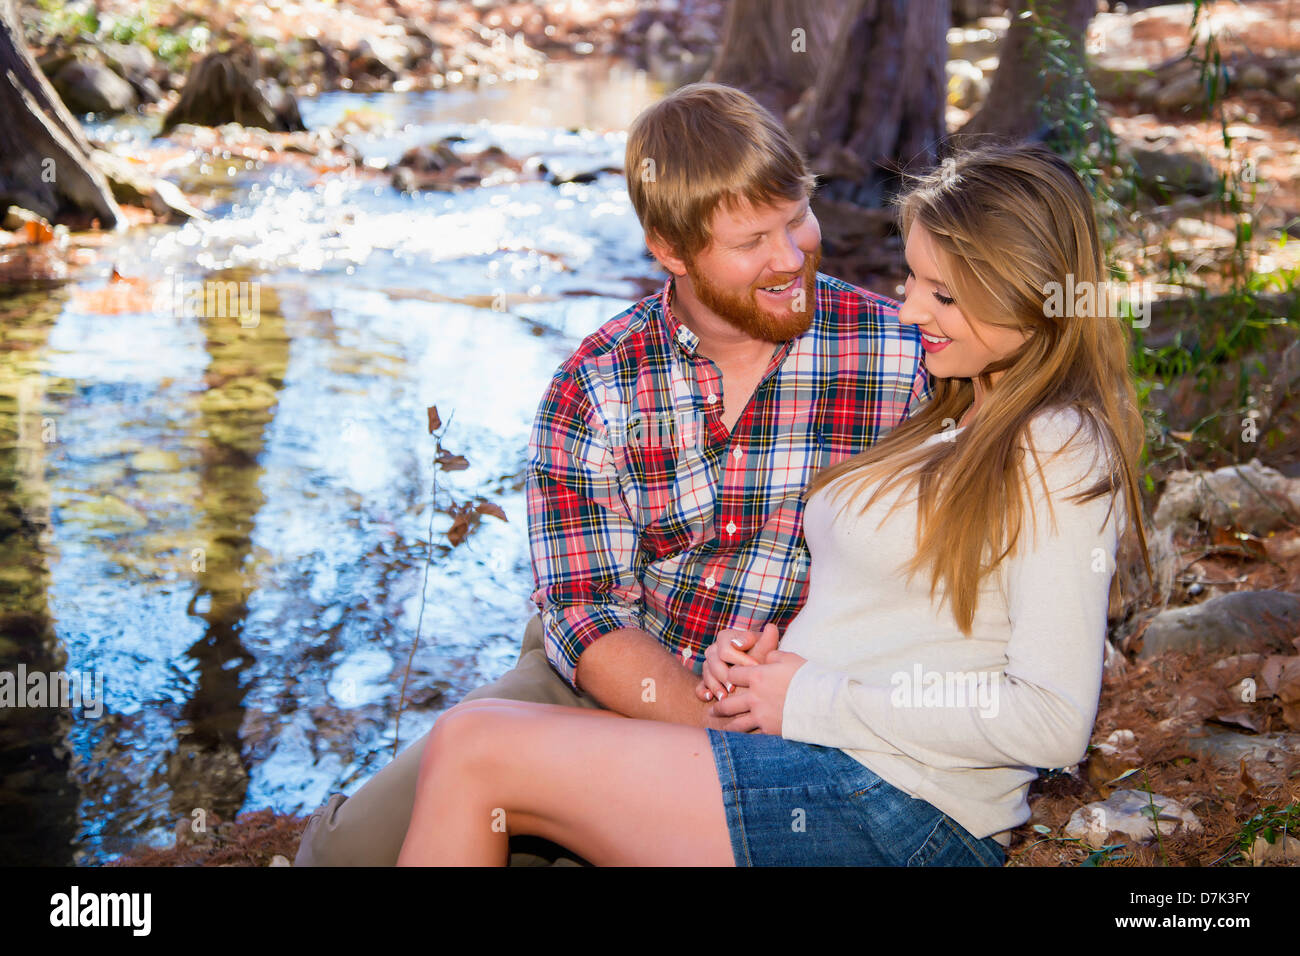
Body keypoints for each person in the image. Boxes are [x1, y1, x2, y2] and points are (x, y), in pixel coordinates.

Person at [395, 140, 1154, 866]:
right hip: (814, 760)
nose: (911, 311)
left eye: (944, 294)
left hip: (901, 810)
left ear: (1030, 292)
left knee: (474, 752)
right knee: (463, 752)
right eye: (913, 280)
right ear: (671, 249)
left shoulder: (1058, 443)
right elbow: (917, 625)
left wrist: (811, 696)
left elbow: (1054, 723)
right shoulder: (955, 412)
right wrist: (763, 669)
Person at [294, 83, 929, 866]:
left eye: (797, 217)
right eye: (751, 240)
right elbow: (583, 609)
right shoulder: (595, 384)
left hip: (794, 703)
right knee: (354, 856)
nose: (790, 256)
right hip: (616, 667)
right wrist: (698, 721)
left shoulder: (902, 356)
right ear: (670, 249)